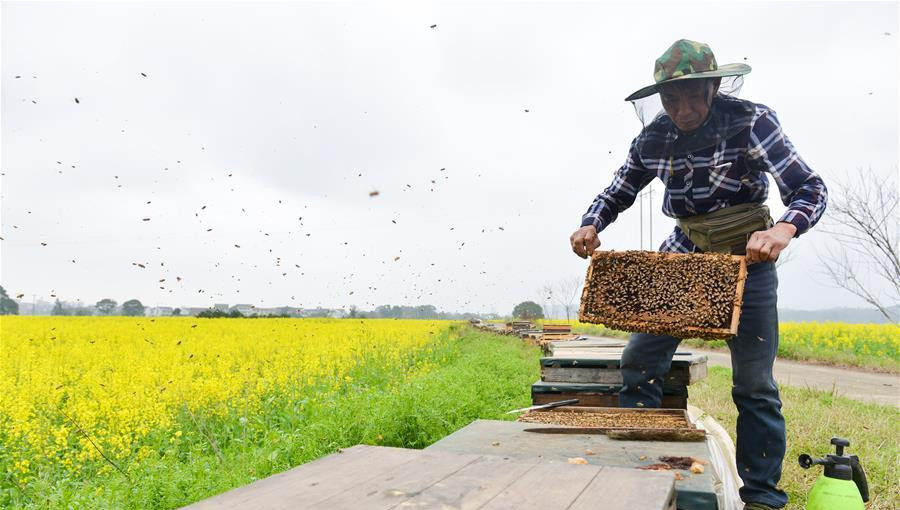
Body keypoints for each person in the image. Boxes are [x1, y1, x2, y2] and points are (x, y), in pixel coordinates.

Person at [569, 39, 827, 510]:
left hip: (747, 257)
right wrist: (591, 222)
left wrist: (785, 229)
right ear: (660, 100)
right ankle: (643, 475)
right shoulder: (654, 136)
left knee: (755, 385)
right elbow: (619, 188)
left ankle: (763, 498)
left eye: (692, 96)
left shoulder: (751, 120)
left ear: (713, 87)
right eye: (671, 99)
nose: (683, 108)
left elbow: (809, 187)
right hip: (685, 253)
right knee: (640, 361)